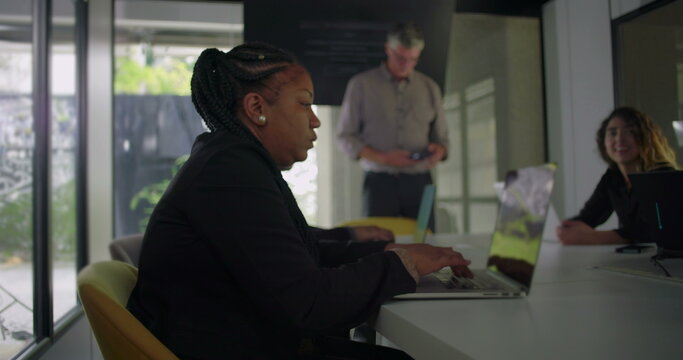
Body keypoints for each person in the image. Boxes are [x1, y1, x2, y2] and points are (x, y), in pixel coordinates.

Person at [127, 42, 471, 359]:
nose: (316, 120)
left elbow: (298, 254)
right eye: (304, 102)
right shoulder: (228, 172)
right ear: (256, 108)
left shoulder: (231, 162)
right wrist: (403, 265)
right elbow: (309, 303)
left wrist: (386, 252)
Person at [336, 22, 448, 230]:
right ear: (388, 49)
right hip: (379, 183)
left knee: (425, 244)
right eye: (401, 58)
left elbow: (442, 140)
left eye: (413, 59)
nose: (406, 65)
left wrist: (439, 151)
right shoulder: (360, 85)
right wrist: (384, 158)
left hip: (420, 183)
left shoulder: (430, 88)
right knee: (376, 248)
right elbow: (345, 137)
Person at [557, 106, 678, 245]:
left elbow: (653, 230)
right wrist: (564, 228)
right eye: (613, 133)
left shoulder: (663, 176)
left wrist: (594, 237)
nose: (619, 139)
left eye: (629, 132)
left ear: (646, 138)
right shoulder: (613, 177)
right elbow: (589, 216)